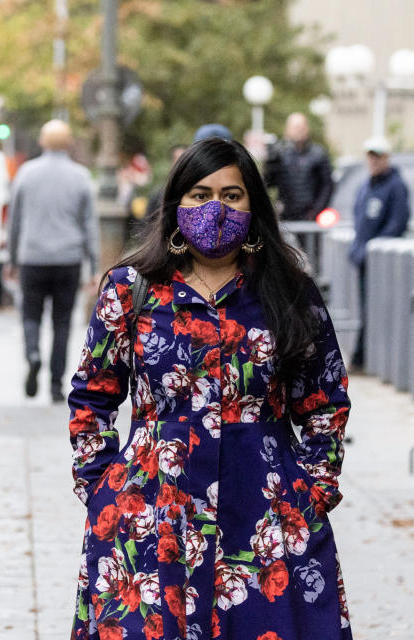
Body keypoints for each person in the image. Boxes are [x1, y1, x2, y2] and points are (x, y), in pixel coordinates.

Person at [68, 138, 352, 639]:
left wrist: (314, 488)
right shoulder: (130, 288)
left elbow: (324, 399)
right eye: (199, 194)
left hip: (267, 517)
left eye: (231, 194)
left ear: (253, 204)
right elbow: (93, 395)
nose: (215, 208)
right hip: (150, 514)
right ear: (176, 205)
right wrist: (101, 488)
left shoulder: (288, 290)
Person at [6, 119, 98, 403]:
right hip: (67, 259)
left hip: (32, 257)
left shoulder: (26, 173)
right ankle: (56, 385)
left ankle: (33, 355)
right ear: (69, 143)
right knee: (61, 323)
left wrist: (11, 258)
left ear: (43, 142)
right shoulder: (81, 176)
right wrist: (94, 266)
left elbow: (15, 221)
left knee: (30, 315)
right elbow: (89, 225)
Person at [348, 135, 410, 372]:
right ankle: (364, 357)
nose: (373, 161)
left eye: (378, 156)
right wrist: (359, 250)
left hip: (382, 263)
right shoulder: (366, 185)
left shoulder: (395, 186)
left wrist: (373, 249)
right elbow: (359, 220)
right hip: (365, 260)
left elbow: (397, 223)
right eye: (370, 155)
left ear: (386, 158)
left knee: (378, 311)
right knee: (365, 310)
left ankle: (366, 359)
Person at [264, 112, 334, 222]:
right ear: (287, 130)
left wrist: (316, 211)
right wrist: (271, 162)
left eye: (301, 127)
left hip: (310, 216)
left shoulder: (319, 153)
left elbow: (327, 185)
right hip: (287, 215)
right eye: (295, 127)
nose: (299, 130)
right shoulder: (280, 154)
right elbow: (269, 182)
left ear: (307, 129)